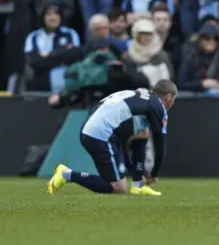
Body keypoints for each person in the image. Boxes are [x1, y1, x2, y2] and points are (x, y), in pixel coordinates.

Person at [47, 80, 178, 196]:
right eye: (173, 100)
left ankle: (138, 185)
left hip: (92, 128)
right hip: (100, 134)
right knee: (119, 188)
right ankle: (66, 174)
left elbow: (132, 139)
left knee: (142, 133)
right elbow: (160, 147)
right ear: (168, 97)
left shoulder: (141, 95)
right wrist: (154, 174)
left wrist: (138, 173)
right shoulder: (158, 107)